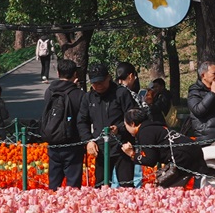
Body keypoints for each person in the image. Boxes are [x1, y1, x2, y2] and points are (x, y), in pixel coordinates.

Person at [79, 63, 141, 186]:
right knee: (100, 186)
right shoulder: (88, 98)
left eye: (101, 81)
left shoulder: (121, 93)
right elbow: (82, 121)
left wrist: (119, 128)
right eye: (95, 83)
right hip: (101, 148)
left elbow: (133, 117)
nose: (98, 86)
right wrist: (88, 141)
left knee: (126, 186)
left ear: (109, 77)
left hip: (122, 146)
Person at [39, 60, 87, 189]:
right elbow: (83, 119)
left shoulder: (49, 92)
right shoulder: (79, 95)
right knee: (73, 185)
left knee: (54, 184)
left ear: (58, 73)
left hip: (53, 143)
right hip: (72, 144)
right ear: (75, 74)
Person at [111, 108, 173, 185]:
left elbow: (151, 160)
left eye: (125, 125)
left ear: (132, 124)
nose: (126, 128)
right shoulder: (153, 126)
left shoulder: (145, 132)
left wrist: (132, 154)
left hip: (181, 158)